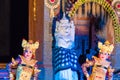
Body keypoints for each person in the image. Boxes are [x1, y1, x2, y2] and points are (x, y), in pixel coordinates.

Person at [53, 13, 79, 80]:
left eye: (67, 27)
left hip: (71, 63)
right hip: (62, 64)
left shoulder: (70, 37)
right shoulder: (59, 37)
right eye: (64, 27)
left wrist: (72, 26)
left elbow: (72, 36)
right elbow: (57, 34)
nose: (67, 29)